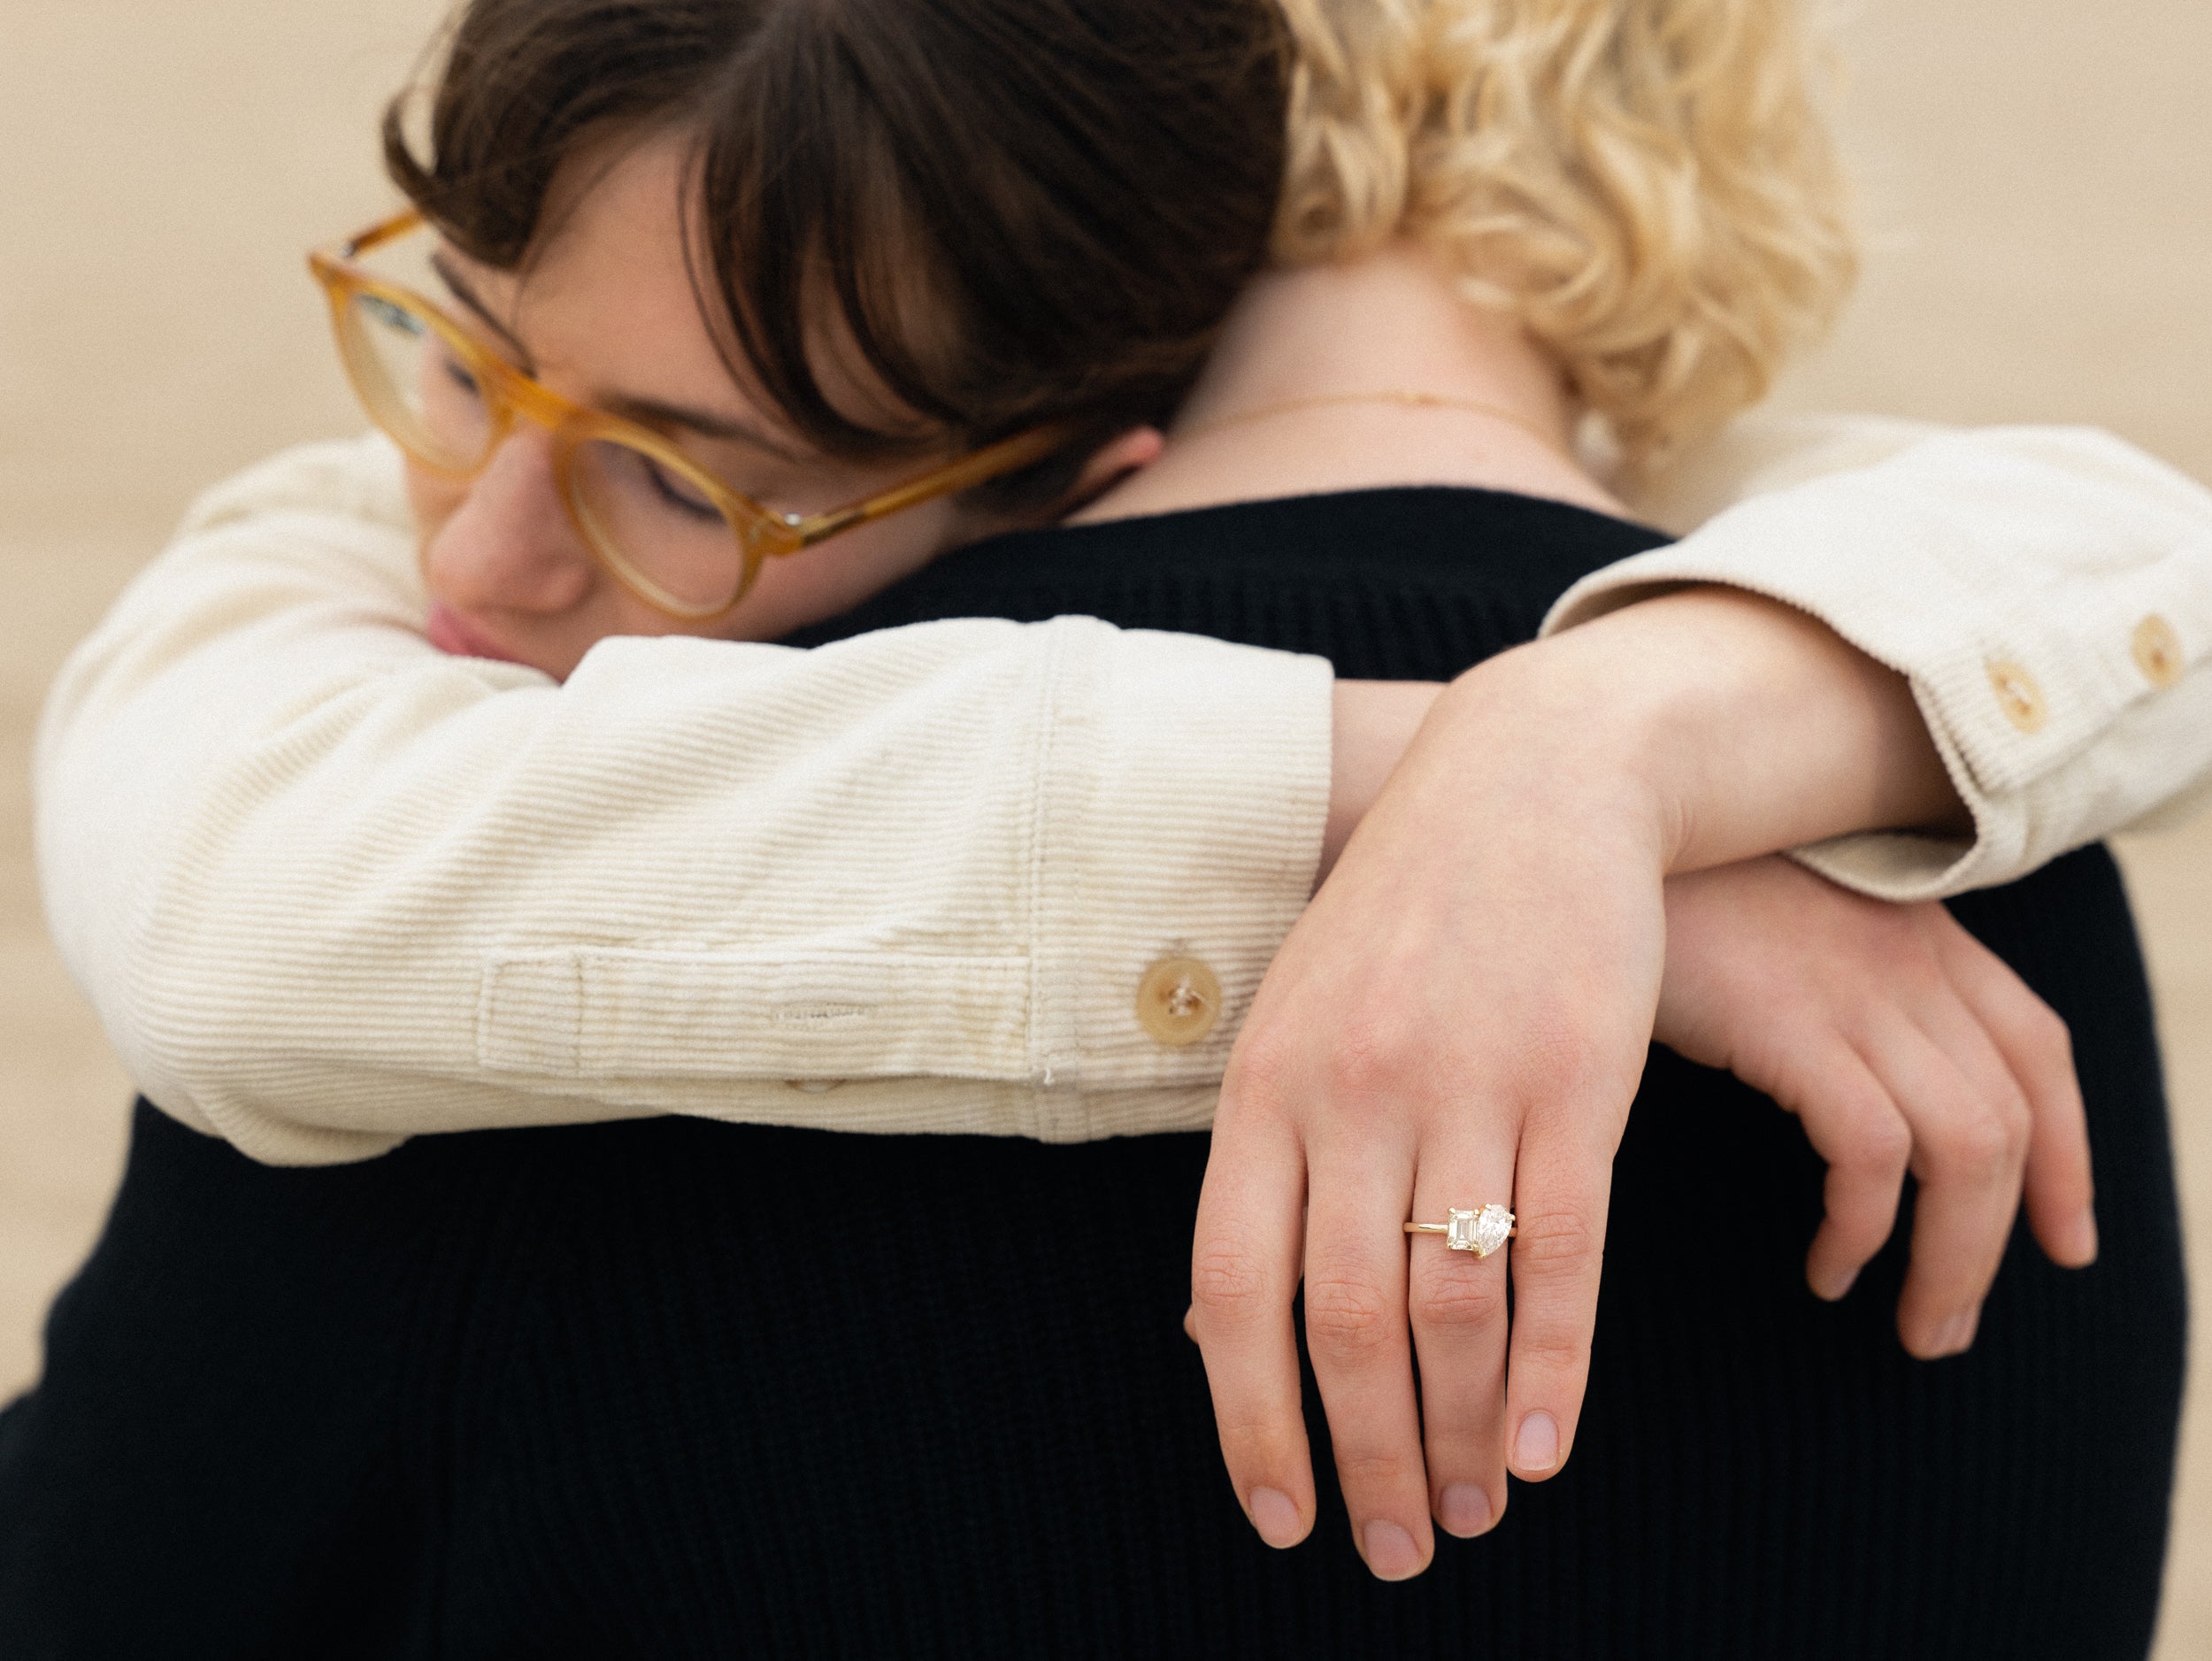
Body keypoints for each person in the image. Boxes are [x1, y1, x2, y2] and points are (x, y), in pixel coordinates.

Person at [5, 0, 2200, 1650]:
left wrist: (1572, 768)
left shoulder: (507, 876)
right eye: (455, 354)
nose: (477, 564)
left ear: (1080, 432)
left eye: (688, 473)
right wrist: (1497, 790)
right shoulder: (1985, 866)